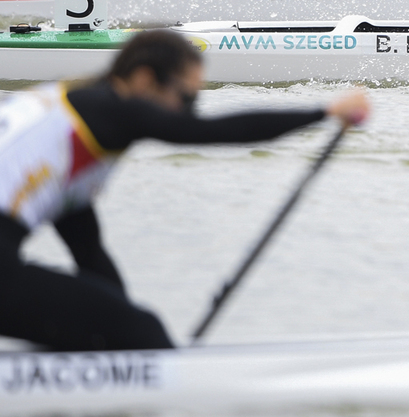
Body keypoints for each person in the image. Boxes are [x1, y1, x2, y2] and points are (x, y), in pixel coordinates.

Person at [0, 30, 370, 351]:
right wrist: (323, 113)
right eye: (187, 100)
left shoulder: (69, 125)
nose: (188, 114)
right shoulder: (112, 110)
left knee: (120, 326)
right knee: (143, 330)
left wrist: (125, 327)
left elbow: (89, 253)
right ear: (144, 81)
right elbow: (213, 132)